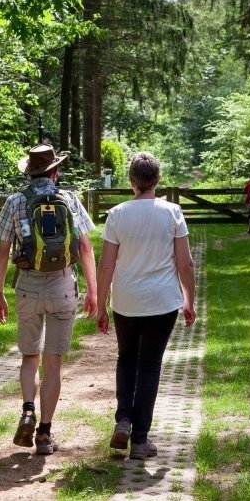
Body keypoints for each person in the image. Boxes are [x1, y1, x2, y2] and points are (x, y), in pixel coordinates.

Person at [0, 143, 97, 455]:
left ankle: (27, 409)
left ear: (30, 172)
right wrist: (93, 291)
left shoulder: (15, 201)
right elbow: (86, 247)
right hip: (63, 286)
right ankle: (45, 434)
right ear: (55, 171)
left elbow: (2, 250)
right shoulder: (70, 199)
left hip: (28, 285)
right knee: (53, 365)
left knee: (29, 357)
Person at [95, 152, 196, 460]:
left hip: (126, 301)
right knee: (149, 366)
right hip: (162, 301)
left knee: (126, 359)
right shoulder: (173, 212)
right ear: (157, 180)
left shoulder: (117, 214)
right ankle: (139, 441)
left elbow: (106, 266)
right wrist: (189, 300)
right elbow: (185, 263)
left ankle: (123, 418)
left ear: (132, 182)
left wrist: (101, 306)